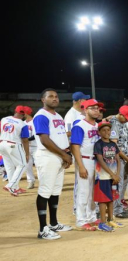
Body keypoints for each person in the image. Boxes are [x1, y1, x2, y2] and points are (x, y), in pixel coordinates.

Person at [32, 89, 73, 240]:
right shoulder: (41, 116)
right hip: (47, 156)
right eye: (50, 96)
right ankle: (43, 229)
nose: (55, 99)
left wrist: (66, 155)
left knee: (55, 191)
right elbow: (45, 140)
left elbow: (60, 137)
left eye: (56, 96)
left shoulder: (57, 115)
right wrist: (63, 155)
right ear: (43, 99)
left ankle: (54, 223)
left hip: (59, 157)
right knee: (45, 190)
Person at [70, 99, 100, 230]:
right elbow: (75, 147)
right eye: (92, 108)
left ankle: (91, 216)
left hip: (95, 161)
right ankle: (81, 220)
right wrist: (81, 166)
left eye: (97, 108)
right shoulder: (80, 125)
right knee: (83, 190)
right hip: (85, 160)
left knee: (93, 191)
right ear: (85, 110)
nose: (96, 110)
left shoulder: (97, 125)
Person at [93, 121, 124, 232]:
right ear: (99, 132)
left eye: (108, 130)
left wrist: (117, 174)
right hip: (103, 177)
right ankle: (102, 222)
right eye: (104, 130)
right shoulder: (98, 144)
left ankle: (111, 219)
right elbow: (100, 161)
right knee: (103, 200)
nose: (107, 132)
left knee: (111, 198)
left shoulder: (113, 144)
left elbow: (118, 159)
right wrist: (112, 174)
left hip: (113, 177)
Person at [109, 105, 128, 218]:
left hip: (122, 158)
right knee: (116, 184)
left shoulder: (123, 123)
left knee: (120, 183)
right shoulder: (115, 123)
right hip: (116, 159)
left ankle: (118, 207)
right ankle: (116, 210)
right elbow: (114, 144)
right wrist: (126, 158)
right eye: (125, 117)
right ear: (120, 114)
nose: (126, 119)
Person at [0, 105, 29, 196]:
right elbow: (25, 140)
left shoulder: (4, 119)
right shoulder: (22, 124)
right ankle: (11, 185)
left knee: (9, 167)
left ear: (15, 111)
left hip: (2, 143)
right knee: (23, 164)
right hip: (13, 145)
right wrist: (27, 154)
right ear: (24, 114)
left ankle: (14, 188)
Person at [23, 106, 37, 189]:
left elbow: (35, 135)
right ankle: (30, 181)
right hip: (27, 147)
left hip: (36, 147)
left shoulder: (34, 122)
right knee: (27, 165)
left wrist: (26, 140)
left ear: (26, 113)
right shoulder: (23, 123)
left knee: (39, 165)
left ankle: (43, 182)